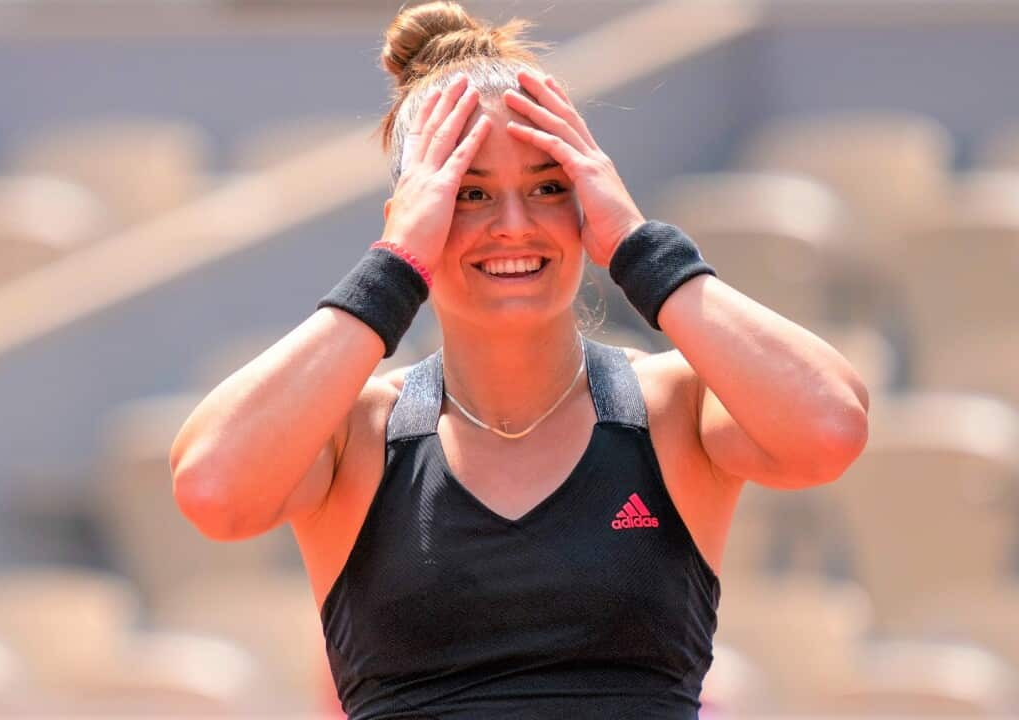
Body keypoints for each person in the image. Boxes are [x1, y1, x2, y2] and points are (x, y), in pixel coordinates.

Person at [169, 2, 870, 717]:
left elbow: (829, 428)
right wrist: (391, 272)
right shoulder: (355, 431)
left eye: (548, 188)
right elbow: (213, 488)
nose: (513, 225)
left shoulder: (673, 405)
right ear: (411, 216)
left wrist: (638, 244)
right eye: (468, 194)